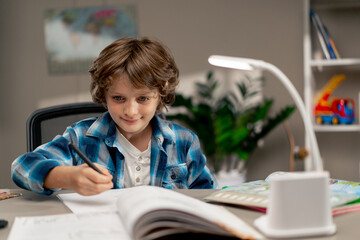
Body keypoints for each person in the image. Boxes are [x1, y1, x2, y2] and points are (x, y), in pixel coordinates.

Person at [11, 37, 217, 196]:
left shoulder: (184, 141)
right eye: (119, 98)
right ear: (104, 94)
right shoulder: (82, 137)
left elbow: (208, 195)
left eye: (143, 99)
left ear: (160, 95)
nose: (130, 111)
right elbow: (22, 167)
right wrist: (68, 177)